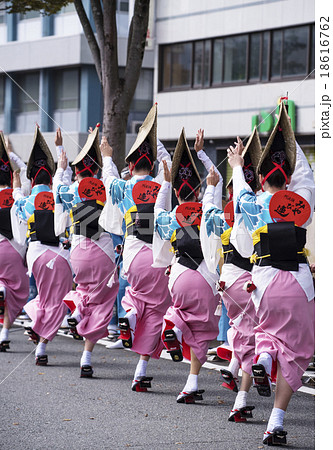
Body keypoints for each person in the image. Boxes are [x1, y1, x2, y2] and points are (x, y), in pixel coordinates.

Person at [228, 102, 315, 446]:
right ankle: (275, 422)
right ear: (289, 176)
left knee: (265, 331)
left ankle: (263, 355)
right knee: (296, 350)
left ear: (261, 178)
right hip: (298, 280)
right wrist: (291, 142)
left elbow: (244, 245)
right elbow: (307, 176)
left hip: (263, 280)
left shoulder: (250, 203)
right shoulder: (302, 200)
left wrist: (237, 165)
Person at [100, 104, 172, 391]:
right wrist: (158, 143)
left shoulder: (123, 187)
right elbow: (169, 166)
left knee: (135, 296)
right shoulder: (161, 183)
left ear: (130, 167)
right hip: (157, 256)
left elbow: (108, 178)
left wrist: (107, 157)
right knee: (156, 311)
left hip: (132, 253)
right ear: (153, 165)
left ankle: (128, 314)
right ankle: (141, 370)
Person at [154, 127, 221, 403]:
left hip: (179, 274)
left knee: (180, 311)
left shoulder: (170, 216)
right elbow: (214, 178)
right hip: (206, 277)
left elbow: (157, 211)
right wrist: (202, 154)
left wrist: (167, 184)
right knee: (202, 329)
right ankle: (191, 382)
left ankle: (175, 326)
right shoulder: (208, 209)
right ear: (199, 188)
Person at [201, 128, 261, 422]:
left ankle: (232, 367)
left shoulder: (219, 213)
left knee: (242, 327)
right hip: (251, 281)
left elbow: (206, 210)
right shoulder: (260, 208)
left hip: (226, 280)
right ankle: (241, 399)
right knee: (256, 337)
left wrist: (212, 182)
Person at [53, 125, 119, 378]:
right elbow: (112, 179)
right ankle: (86, 358)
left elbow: (58, 183)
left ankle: (78, 308)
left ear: (77, 172)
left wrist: (61, 158)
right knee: (103, 299)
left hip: (78, 249)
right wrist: (107, 156)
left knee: (82, 290)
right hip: (103, 248)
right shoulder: (105, 186)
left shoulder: (71, 190)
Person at [13, 125, 73, 365]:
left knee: (44, 296)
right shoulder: (60, 194)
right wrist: (60, 150)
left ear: (32, 179)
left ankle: (36, 323)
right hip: (59, 254)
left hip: (36, 254)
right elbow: (64, 177)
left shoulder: (28, 201)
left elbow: (16, 200)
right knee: (59, 300)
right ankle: (41, 342)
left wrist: (17, 185)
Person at [0, 132, 29, 351]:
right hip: (15, 248)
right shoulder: (20, 191)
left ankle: (0, 288)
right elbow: (26, 172)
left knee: (4, 289)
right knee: (16, 291)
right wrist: (11, 153)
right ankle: (5, 333)